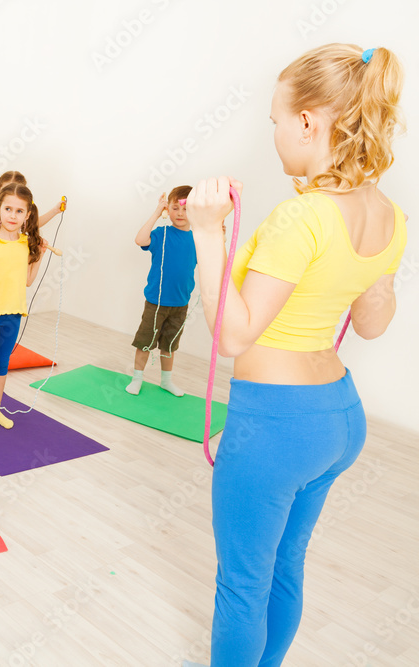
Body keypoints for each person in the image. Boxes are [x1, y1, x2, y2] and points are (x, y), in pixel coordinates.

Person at [183, 44, 407, 667]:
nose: (276, 133)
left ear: (308, 121)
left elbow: (233, 336)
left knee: (242, 589)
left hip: (275, 427)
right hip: (338, 419)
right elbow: (371, 321)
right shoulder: (391, 215)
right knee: (283, 569)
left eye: (276, 120)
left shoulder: (299, 218)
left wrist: (206, 231)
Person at [0, 182, 47, 430]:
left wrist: (41, 255)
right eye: (8, 209)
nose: (13, 215)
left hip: (14, 313)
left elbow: (26, 280)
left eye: (19, 211)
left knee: (3, 364)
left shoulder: (25, 244)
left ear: (28, 215)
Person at [125, 186, 195, 397]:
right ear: (168, 210)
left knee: (170, 346)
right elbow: (140, 240)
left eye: (185, 209)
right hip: (156, 302)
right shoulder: (162, 233)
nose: (180, 213)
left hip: (180, 303)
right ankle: (137, 378)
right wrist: (157, 213)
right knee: (145, 343)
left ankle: (166, 381)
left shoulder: (198, 238)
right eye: (175, 208)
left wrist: (218, 234)